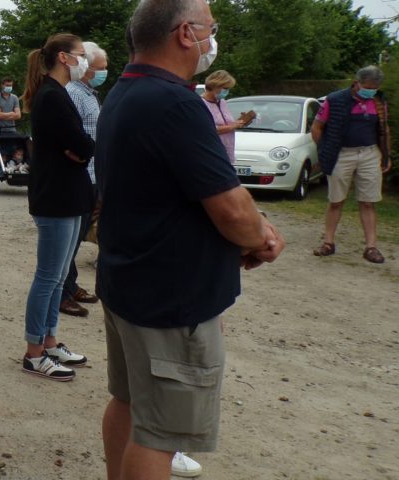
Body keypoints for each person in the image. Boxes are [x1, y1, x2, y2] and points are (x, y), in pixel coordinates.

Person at [97, 1, 286, 479]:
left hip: (130, 283)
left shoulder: (126, 91)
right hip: (171, 299)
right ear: (186, 33)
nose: (212, 38)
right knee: (161, 435)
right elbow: (231, 208)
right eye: (210, 28)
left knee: (128, 402)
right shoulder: (177, 104)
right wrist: (258, 236)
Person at [19, 33, 96, 382]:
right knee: (48, 277)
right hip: (56, 198)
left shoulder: (60, 93)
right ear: (64, 58)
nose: (86, 61)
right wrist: (81, 149)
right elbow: (82, 144)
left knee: (60, 277)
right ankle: (34, 353)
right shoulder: (51, 96)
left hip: (71, 194)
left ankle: (49, 342)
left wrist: (80, 149)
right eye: (81, 54)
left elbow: (80, 147)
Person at [312, 65, 391, 264]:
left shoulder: (379, 101)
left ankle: (371, 247)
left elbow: (384, 129)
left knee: (368, 201)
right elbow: (317, 127)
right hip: (341, 153)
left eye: (375, 87)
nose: (371, 90)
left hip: (369, 152)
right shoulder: (334, 99)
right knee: (336, 201)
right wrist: (324, 150)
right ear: (357, 82)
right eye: (368, 87)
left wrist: (386, 155)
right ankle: (328, 242)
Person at [59, 41, 109, 319]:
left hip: (93, 173)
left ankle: (70, 283)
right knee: (72, 238)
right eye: (100, 68)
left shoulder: (90, 94)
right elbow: (69, 136)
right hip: (82, 174)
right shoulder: (74, 94)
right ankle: (63, 293)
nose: (104, 72)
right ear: (87, 67)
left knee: (79, 236)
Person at [200, 70, 253, 164]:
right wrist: (233, 126)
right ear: (215, 86)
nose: (227, 91)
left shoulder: (222, 102)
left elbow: (226, 123)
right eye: (225, 88)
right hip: (212, 153)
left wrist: (239, 122)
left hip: (227, 152)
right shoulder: (201, 104)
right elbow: (209, 130)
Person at [0, 76, 23, 168]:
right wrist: (11, 114)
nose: (9, 87)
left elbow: (18, 115)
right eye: (7, 85)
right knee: (0, 151)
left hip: (11, 129)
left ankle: (16, 164)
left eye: (10, 85)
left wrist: (4, 115)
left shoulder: (14, 98)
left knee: (18, 145)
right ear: (2, 85)